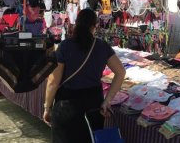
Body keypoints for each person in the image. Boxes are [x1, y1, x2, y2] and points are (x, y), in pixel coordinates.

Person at [43, 8, 126, 143]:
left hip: (67, 106)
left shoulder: (65, 46)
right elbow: (121, 72)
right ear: (94, 25)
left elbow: (53, 81)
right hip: (93, 106)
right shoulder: (102, 46)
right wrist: (107, 101)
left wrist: (47, 107)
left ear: (77, 23)